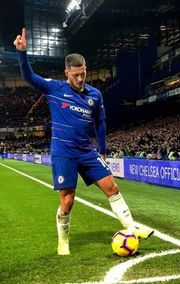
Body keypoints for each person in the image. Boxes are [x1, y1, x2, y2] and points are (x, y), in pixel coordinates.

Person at [14, 28, 153, 256]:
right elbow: (30, 77)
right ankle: (63, 240)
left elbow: (100, 123)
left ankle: (131, 228)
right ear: (66, 72)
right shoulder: (54, 88)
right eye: (75, 74)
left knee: (112, 187)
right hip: (64, 152)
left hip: (87, 151)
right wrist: (22, 53)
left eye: (83, 73)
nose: (80, 78)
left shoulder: (95, 95)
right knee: (67, 201)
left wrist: (103, 150)